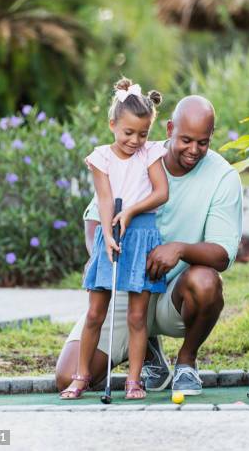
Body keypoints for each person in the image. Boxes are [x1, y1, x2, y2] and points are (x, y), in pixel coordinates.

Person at [56, 95, 243, 396]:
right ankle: (147, 351)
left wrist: (179, 249)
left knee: (206, 281)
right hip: (126, 285)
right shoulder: (136, 156)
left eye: (203, 142)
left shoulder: (223, 177)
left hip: (173, 294)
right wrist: (102, 257)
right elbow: (95, 218)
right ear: (169, 129)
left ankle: (186, 361)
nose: (194, 150)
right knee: (69, 377)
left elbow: (222, 255)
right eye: (185, 139)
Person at [60, 78, 168, 400]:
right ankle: (81, 376)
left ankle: (134, 380)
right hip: (112, 236)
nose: (135, 140)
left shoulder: (150, 154)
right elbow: (105, 199)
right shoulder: (101, 158)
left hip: (142, 234)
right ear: (112, 125)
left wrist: (133, 210)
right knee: (95, 313)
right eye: (128, 133)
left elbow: (162, 192)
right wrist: (107, 235)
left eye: (143, 133)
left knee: (137, 316)